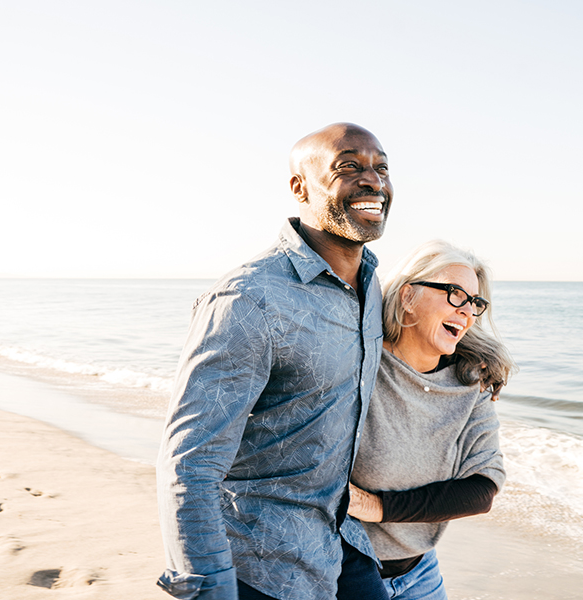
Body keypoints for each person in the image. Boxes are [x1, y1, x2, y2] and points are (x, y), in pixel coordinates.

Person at [156, 123, 394, 600]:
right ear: (300, 188)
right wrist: (211, 590)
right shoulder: (249, 300)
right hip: (257, 562)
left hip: (336, 540)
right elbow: (189, 464)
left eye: (381, 168)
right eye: (349, 166)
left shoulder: (370, 288)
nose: (373, 181)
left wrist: (482, 362)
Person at [340, 240, 516, 600]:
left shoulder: (471, 383)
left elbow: (481, 490)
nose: (467, 312)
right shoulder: (358, 367)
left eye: (475, 303)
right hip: (342, 568)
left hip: (420, 572)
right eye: (455, 294)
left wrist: (377, 507)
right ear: (408, 296)